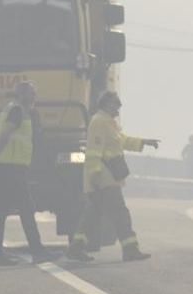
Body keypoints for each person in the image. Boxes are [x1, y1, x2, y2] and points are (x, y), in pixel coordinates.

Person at [68, 91, 159, 262]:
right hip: (103, 178)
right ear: (107, 104)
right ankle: (130, 249)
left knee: (92, 215)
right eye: (116, 103)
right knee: (120, 213)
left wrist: (143, 142)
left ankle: (76, 247)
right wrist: (94, 175)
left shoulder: (109, 123)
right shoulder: (99, 121)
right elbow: (94, 151)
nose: (119, 106)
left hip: (105, 177)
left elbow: (121, 140)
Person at [0, 81, 58, 265]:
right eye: (31, 94)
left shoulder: (16, 110)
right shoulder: (17, 111)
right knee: (26, 209)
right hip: (12, 169)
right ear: (22, 95)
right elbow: (5, 135)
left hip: (9, 167)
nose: (34, 97)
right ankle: (37, 251)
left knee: (1, 211)